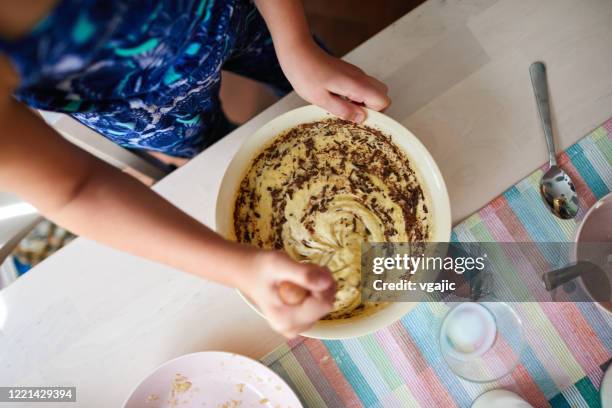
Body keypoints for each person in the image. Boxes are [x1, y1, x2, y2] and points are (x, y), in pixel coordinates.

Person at [0, 0, 391, 337]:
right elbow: (75, 190)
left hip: (234, 14)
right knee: (213, 154)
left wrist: (296, 43)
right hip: (140, 110)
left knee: (305, 84)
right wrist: (242, 268)